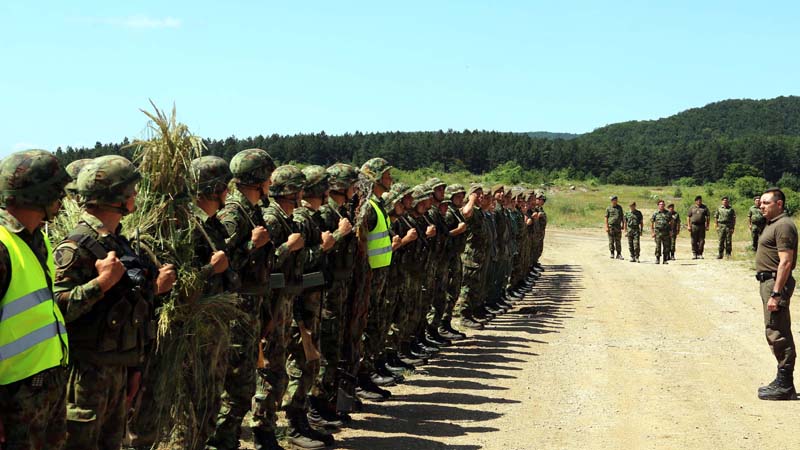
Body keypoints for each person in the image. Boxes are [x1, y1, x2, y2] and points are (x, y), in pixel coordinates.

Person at [55, 155, 176, 450]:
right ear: (115, 195)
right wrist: (100, 284)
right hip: (86, 375)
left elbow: (129, 308)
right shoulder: (75, 247)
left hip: (117, 368)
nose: (136, 195)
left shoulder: (117, 243)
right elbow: (56, 311)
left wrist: (132, 367)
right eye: (131, 189)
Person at [0, 150, 70, 450]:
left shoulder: (37, 239)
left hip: (44, 388)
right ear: (38, 193)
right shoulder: (3, 246)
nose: (62, 200)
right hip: (12, 397)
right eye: (57, 191)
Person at [210, 148, 275, 450]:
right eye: (268, 176)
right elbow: (222, 264)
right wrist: (252, 244)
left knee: (245, 383)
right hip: (237, 310)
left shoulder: (254, 210)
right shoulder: (234, 214)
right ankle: (222, 442)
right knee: (236, 386)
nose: (271, 182)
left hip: (252, 307)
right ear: (259, 178)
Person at [754, 187, 798, 400]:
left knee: (777, 331)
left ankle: (785, 384)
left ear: (778, 204)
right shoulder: (772, 224)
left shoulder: (784, 225)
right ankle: (782, 379)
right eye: (761, 203)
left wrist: (776, 293)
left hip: (775, 283)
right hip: (768, 281)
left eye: (766, 203)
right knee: (774, 328)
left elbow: (786, 261)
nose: (761, 206)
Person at [687, 195, 710, 259]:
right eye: (698, 200)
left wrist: (707, 225)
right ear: (695, 201)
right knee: (693, 240)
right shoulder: (692, 207)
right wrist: (688, 225)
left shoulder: (704, 207)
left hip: (702, 226)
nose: (699, 202)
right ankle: (694, 253)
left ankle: (700, 253)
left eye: (700, 200)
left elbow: (708, 217)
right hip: (694, 226)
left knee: (701, 240)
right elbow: (688, 217)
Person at [650, 200, 673, 265]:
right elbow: (652, 222)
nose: (662, 205)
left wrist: (671, 231)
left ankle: (665, 260)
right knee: (658, 246)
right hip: (658, 232)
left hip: (666, 232)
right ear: (658, 205)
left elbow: (671, 222)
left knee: (666, 247)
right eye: (660, 204)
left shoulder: (668, 213)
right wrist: (652, 232)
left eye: (663, 204)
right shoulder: (655, 213)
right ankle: (657, 259)